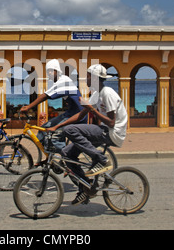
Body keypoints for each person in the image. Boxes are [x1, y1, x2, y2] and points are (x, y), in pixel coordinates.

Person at [47, 64, 128, 205]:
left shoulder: (107, 93)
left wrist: (92, 110)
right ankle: (85, 188)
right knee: (66, 154)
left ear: (95, 78)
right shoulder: (96, 94)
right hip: (104, 130)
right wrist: (57, 126)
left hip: (112, 132)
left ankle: (101, 159)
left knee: (70, 130)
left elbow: (111, 123)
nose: (86, 78)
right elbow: (80, 115)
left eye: (89, 76)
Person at [20, 59, 87, 152]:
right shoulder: (60, 81)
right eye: (48, 71)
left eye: (51, 71)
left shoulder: (64, 81)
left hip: (78, 115)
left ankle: (65, 159)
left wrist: (28, 107)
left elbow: (45, 95)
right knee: (44, 128)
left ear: (57, 71)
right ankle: (47, 157)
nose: (49, 73)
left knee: (55, 135)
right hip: (69, 114)